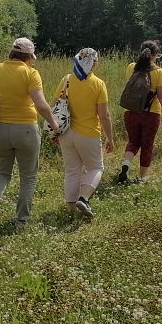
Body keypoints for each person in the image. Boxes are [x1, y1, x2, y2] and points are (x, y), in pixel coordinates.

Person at [0, 38, 60, 230]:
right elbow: (41, 105)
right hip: (26, 130)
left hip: (0, 130)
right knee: (28, 176)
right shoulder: (31, 73)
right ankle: (21, 221)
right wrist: (54, 124)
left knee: (1, 172)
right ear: (29, 57)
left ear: (12, 53)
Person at [52, 48, 115, 218]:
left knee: (72, 171)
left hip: (66, 133)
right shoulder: (98, 84)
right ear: (95, 64)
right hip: (88, 134)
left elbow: (55, 105)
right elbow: (104, 115)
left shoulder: (66, 79)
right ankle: (84, 198)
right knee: (96, 168)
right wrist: (110, 137)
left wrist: (55, 131)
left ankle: (72, 211)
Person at [117, 41, 162, 183]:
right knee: (147, 145)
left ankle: (127, 163)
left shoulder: (131, 67)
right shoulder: (159, 72)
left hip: (130, 112)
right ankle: (142, 177)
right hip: (151, 113)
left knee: (133, 141)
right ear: (154, 55)